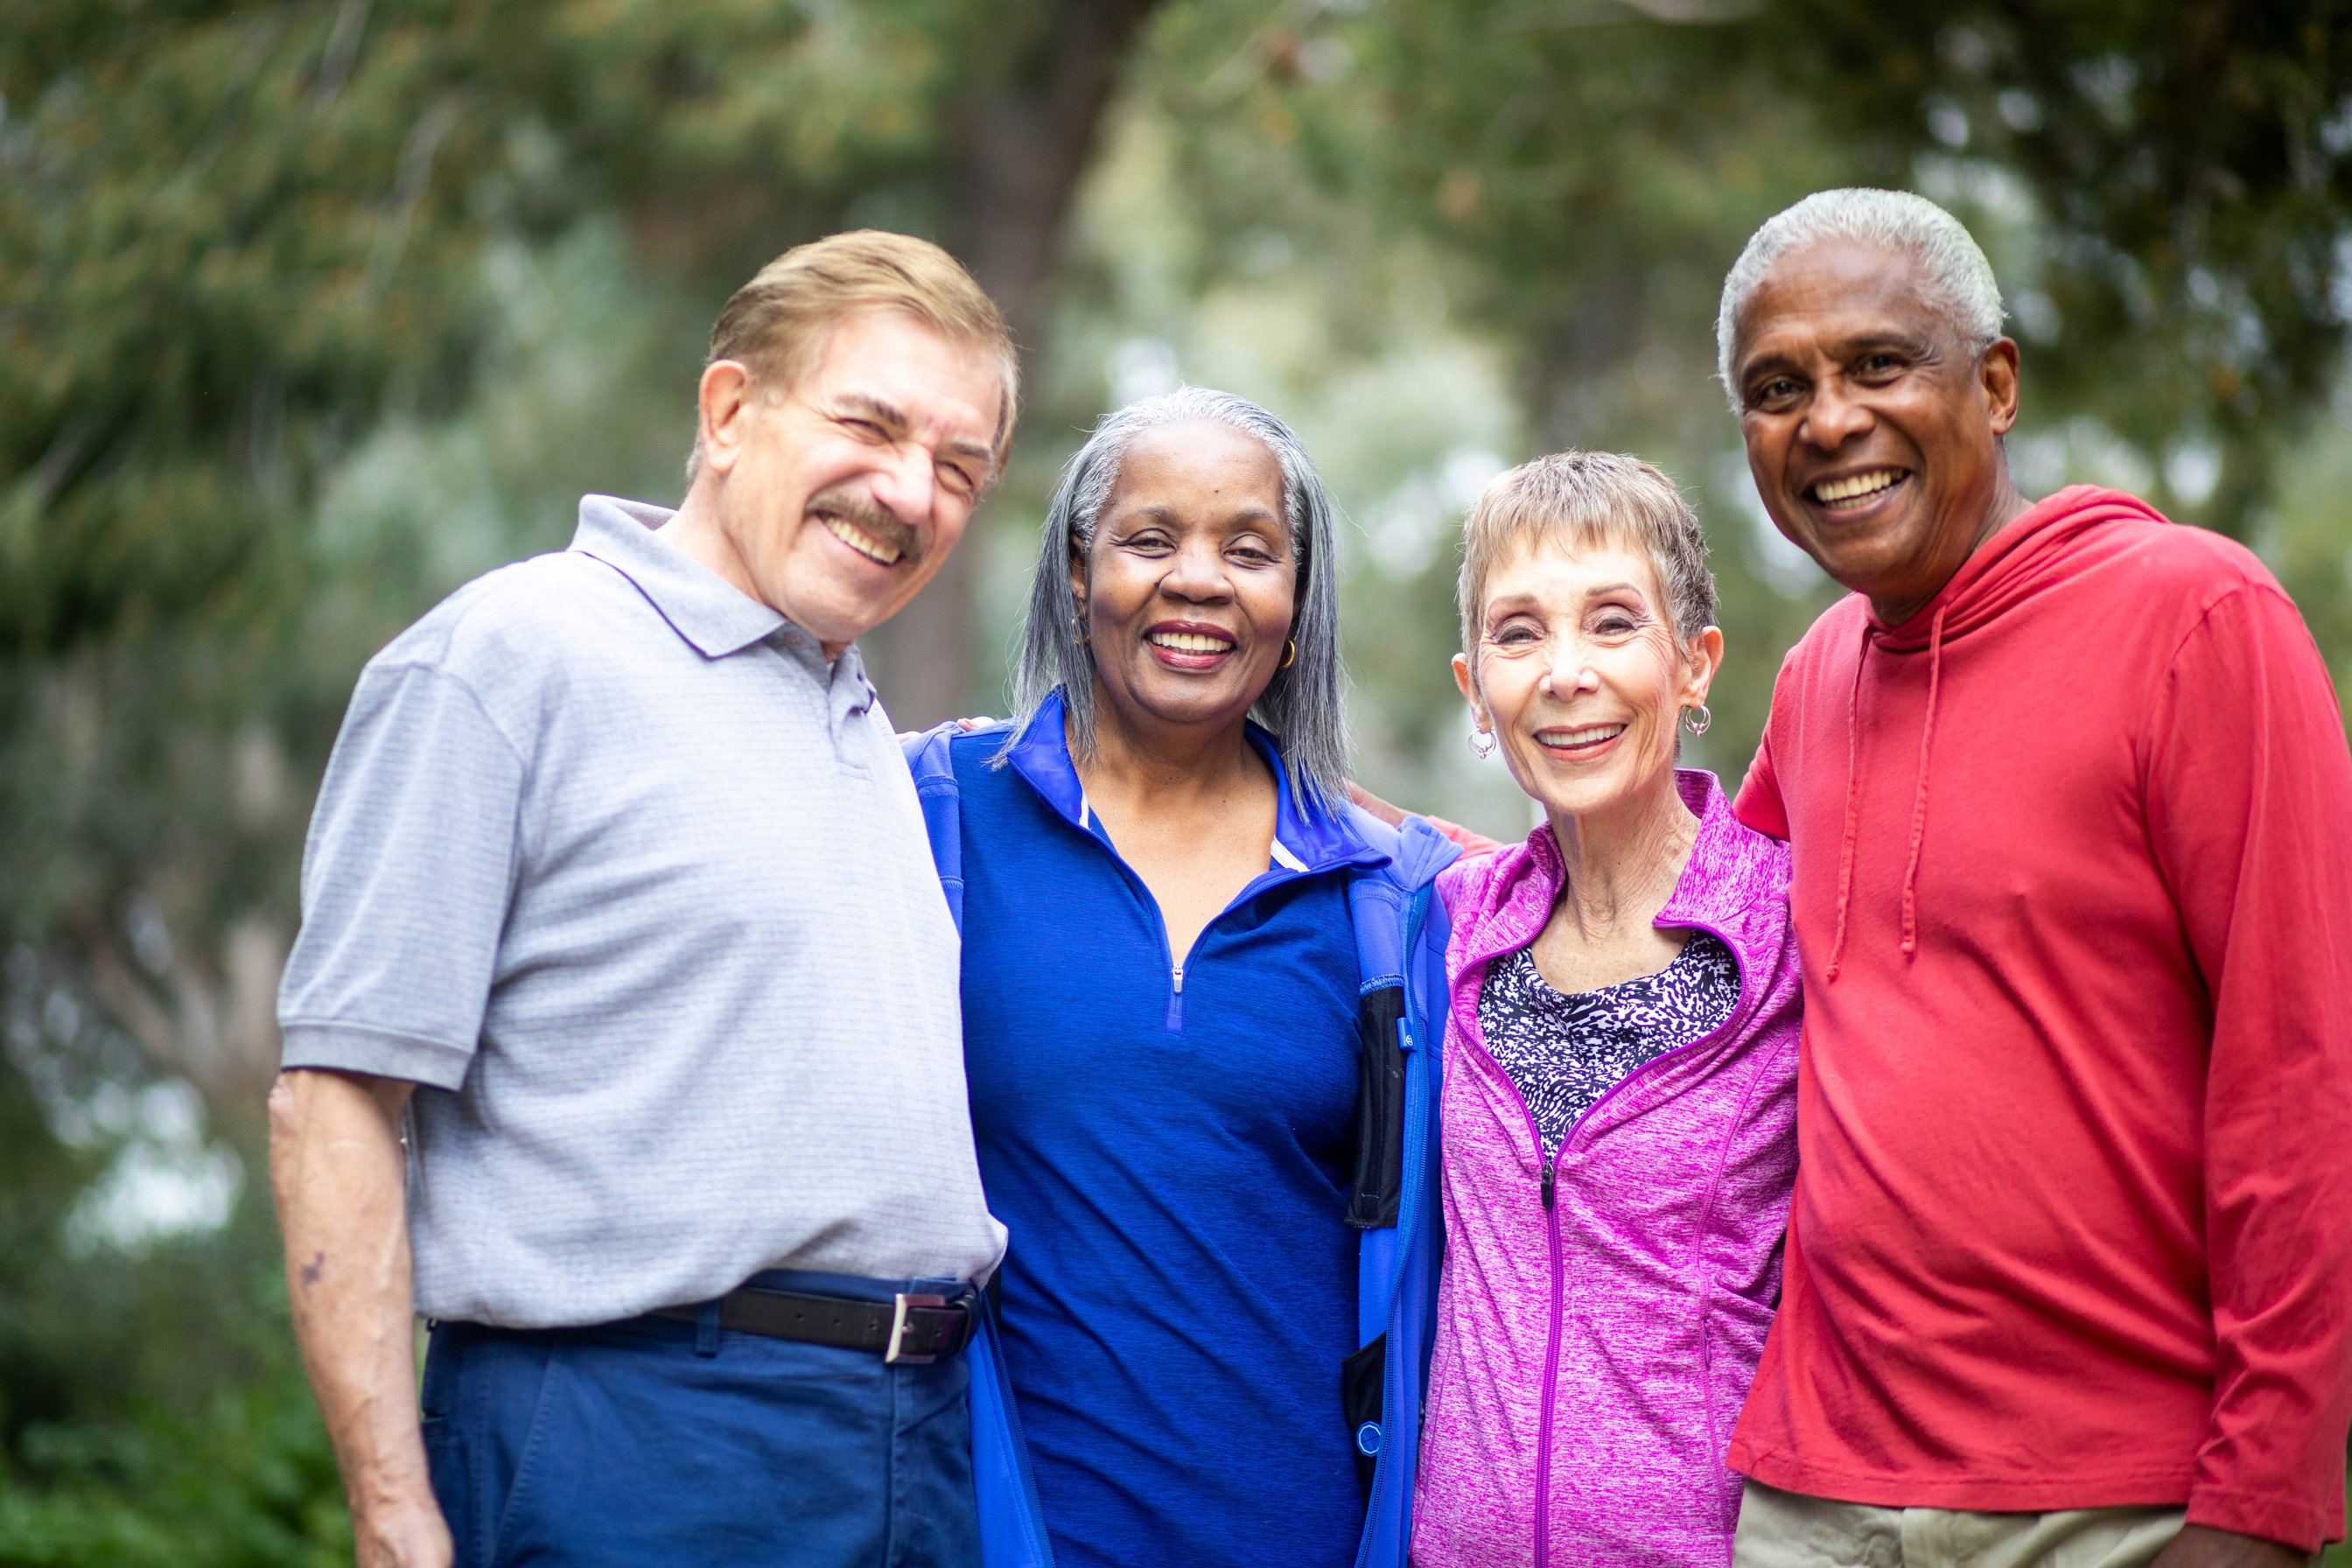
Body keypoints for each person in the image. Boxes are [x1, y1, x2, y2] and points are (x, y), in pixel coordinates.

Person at [268, 230, 1018, 1568]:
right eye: (871, 425)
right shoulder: (513, 657)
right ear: (729, 412)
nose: (910, 493)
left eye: (959, 467)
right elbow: (333, 1100)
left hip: (916, 1446)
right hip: (633, 1442)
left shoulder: (852, 716)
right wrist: (394, 1517)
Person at [1717, 188, 2352, 1568]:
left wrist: (2261, 1507)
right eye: (1779, 389)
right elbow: (1665, 912)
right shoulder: (1815, 679)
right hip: (1809, 1503)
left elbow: (2303, 1086)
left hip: (2112, 1508)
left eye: (1879, 364)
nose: (1828, 421)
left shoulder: (2198, 619)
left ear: (1995, 384)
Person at [900, 388, 1458, 1568]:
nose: (1198, 580)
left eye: (1249, 549)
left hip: (1302, 1534)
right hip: (997, 1531)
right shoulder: (933, 817)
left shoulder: (1391, 900)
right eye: (1150, 539)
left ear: (1297, 606)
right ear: (1073, 575)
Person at [1401, 452, 1801, 1568]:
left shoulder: (1792, 932)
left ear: (1693, 664)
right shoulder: (1443, 931)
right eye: (1519, 633)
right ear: (1474, 687)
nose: (1565, 673)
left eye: (1613, 623)